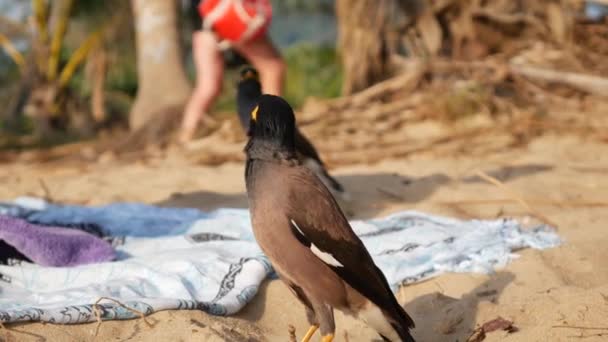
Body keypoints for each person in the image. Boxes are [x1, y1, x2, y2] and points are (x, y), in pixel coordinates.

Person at [179, 0, 286, 144]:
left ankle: (186, 134)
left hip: (205, 25)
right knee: (272, 68)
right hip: (233, 20)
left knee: (208, 87)